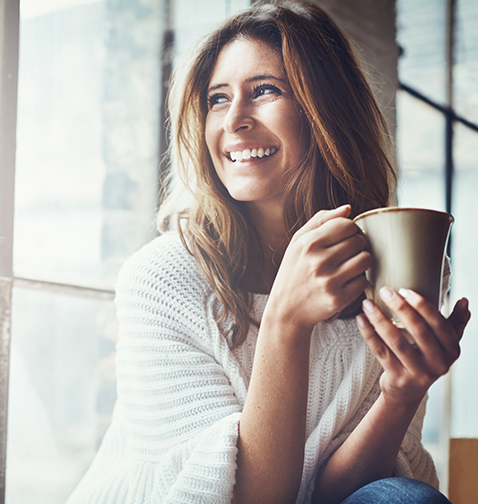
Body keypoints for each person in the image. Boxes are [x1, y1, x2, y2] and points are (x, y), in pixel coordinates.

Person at [66, 1, 471, 503]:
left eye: (264, 91)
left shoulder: (389, 270)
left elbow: (334, 494)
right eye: (217, 99)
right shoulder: (162, 278)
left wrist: (401, 392)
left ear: (327, 111)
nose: (233, 120)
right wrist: (285, 320)